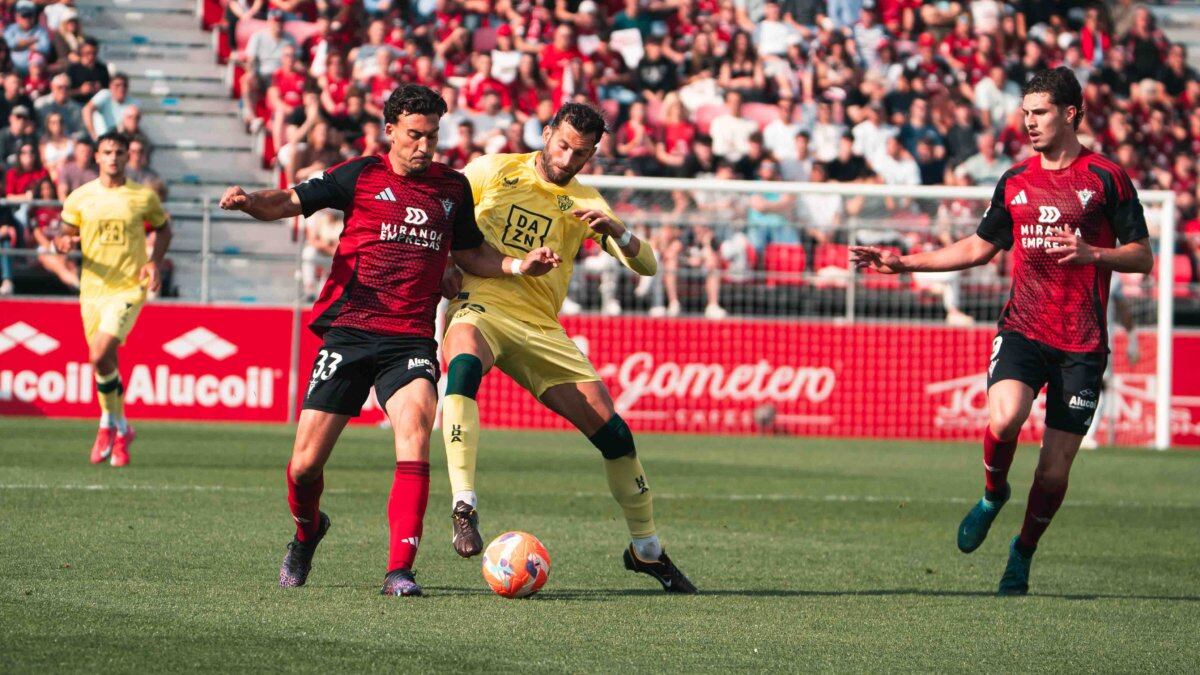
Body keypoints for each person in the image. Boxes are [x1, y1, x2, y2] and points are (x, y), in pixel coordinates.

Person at [218, 84, 560, 597]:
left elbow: (470, 252)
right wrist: (249, 203)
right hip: (351, 330)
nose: (425, 146)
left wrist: (516, 264)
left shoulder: (452, 188)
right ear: (391, 131)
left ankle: (400, 569)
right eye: (415, 136)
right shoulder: (361, 175)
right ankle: (307, 531)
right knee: (305, 466)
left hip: (411, 339)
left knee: (416, 430)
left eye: (433, 136)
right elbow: (290, 200)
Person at [851, 68, 1153, 595]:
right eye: (1025, 113)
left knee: (1054, 475)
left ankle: (1022, 553)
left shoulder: (1106, 178)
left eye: (1039, 113)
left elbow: (1143, 256)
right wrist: (905, 264)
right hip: (1023, 329)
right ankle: (993, 495)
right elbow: (978, 246)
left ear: (1070, 113)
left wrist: (1094, 253)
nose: (1028, 123)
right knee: (1006, 416)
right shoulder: (1015, 180)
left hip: (1081, 345)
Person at [439, 102, 698, 593]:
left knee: (615, 434)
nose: (566, 158)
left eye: (580, 153)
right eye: (561, 145)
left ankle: (646, 550)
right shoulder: (494, 170)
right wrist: (443, 265)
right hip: (483, 303)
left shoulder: (587, 202)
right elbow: (440, 211)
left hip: (541, 326)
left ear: (593, 152)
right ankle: (464, 505)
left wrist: (618, 231)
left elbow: (648, 267)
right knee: (463, 363)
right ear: (547, 132)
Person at [54, 131, 172, 467]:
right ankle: (123, 428)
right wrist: (63, 243)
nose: (113, 158)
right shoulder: (79, 198)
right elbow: (64, 234)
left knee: (99, 354)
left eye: (120, 152)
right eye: (107, 152)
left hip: (129, 287)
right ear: (96, 156)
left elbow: (164, 229)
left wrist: (153, 261)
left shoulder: (142, 196)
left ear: (127, 157)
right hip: (92, 288)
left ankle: (107, 424)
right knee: (105, 362)